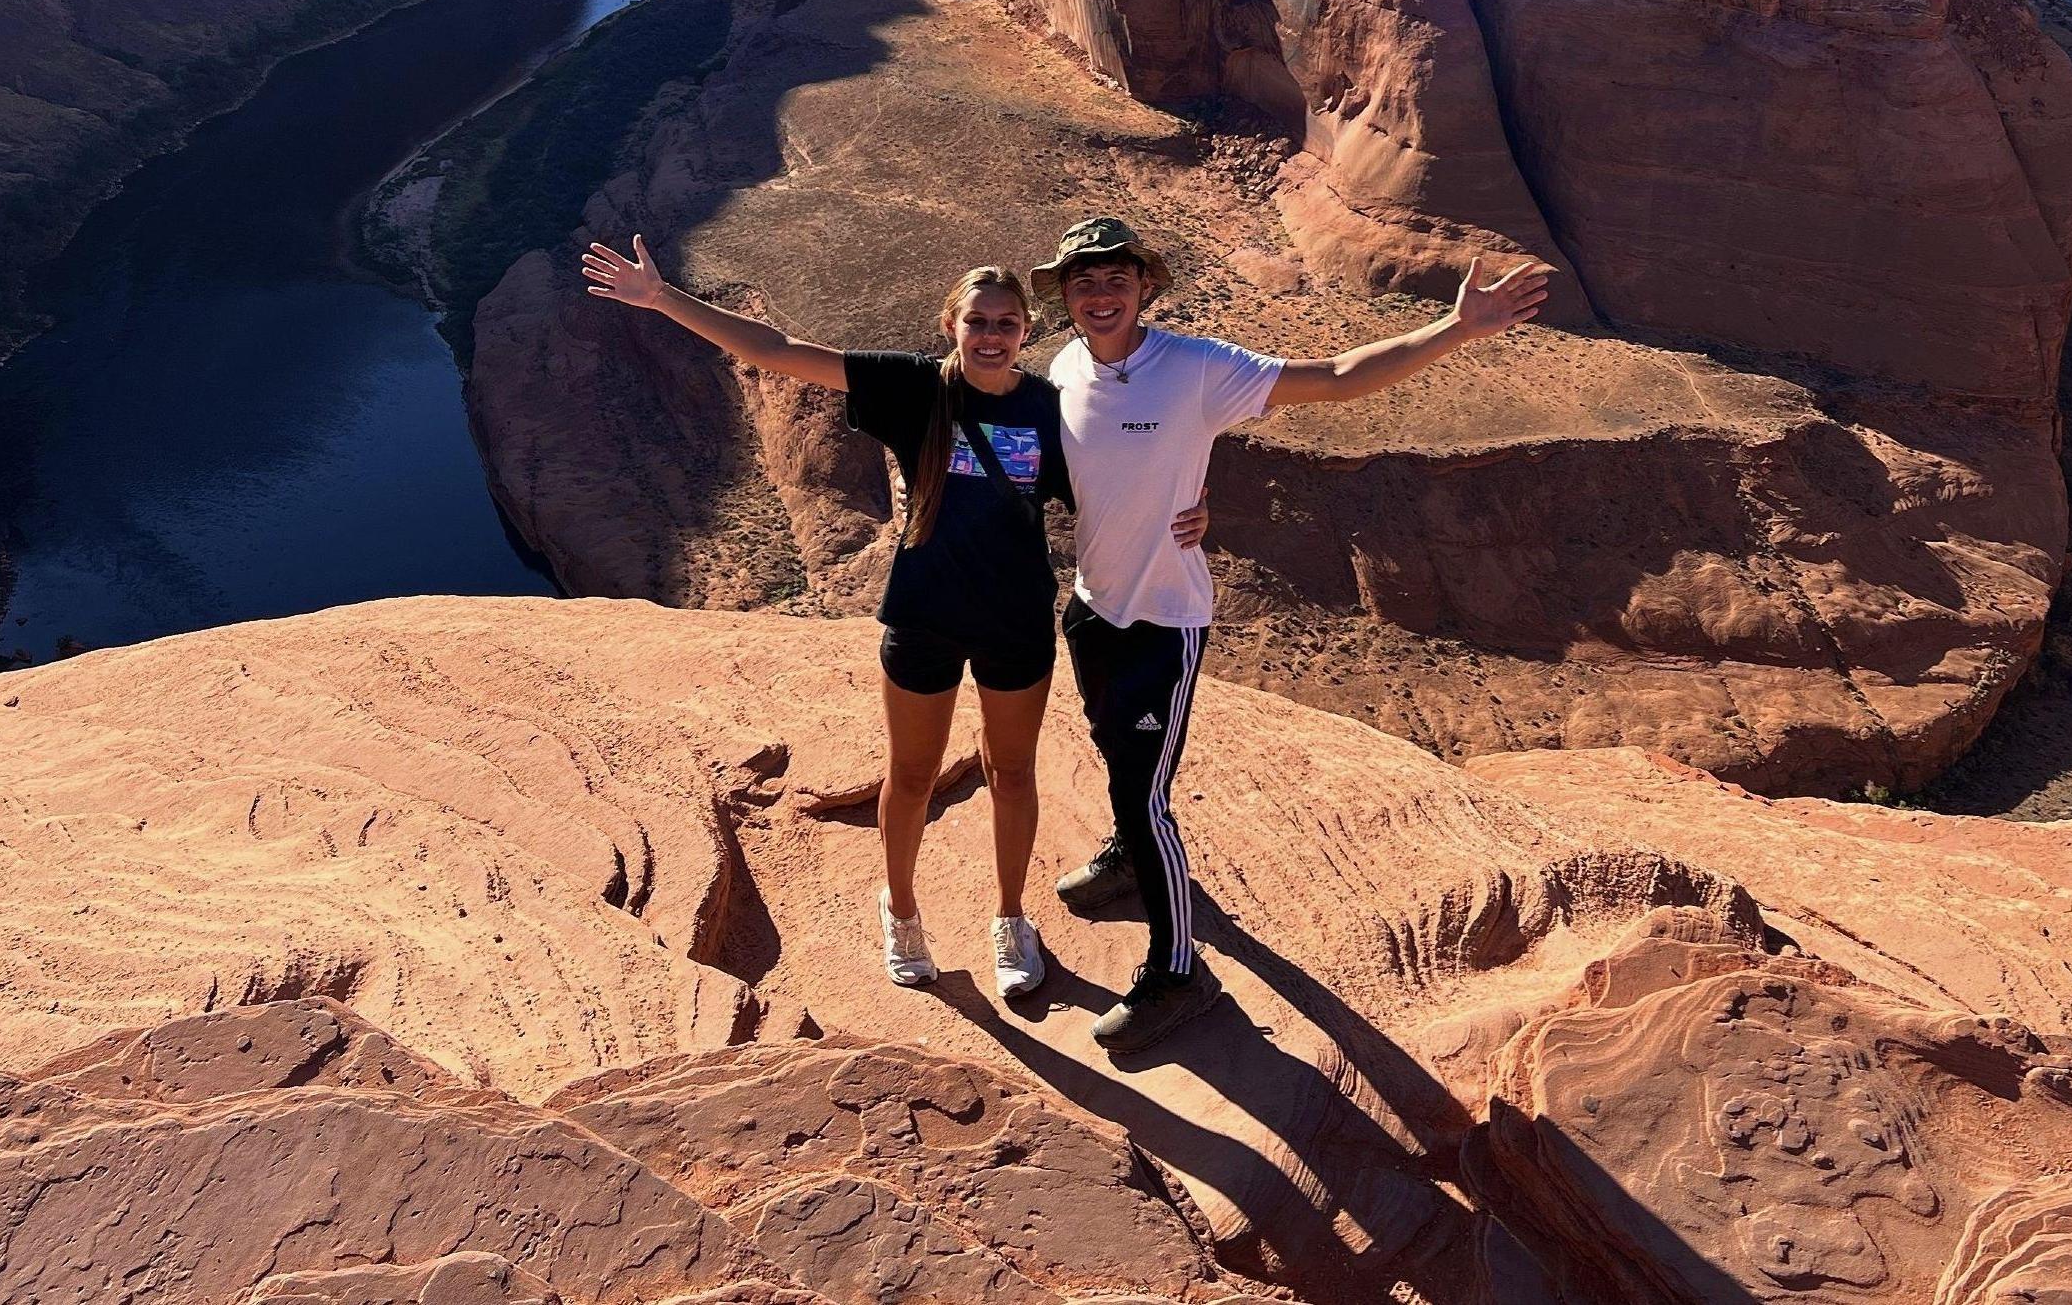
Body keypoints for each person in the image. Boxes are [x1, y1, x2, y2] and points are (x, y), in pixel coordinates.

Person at [577, 234, 1208, 1003]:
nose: (991, 335)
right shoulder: (914, 389)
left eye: (1006, 323)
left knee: (1012, 773)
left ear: (1025, 333)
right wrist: (664, 298)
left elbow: (1122, 472)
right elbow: (780, 351)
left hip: (1014, 622)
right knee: (911, 773)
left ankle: (1011, 918)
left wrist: (1194, 506)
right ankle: (901, 911)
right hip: (924, 617)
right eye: (977, 321)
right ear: (951, 325)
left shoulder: (1050, 409)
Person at [1031, 215, 1551, 1056]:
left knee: (1144, 788)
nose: (1098, 293)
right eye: (1082, 280)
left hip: (1166, 618)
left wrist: (1456, 328)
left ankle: (1177, 974)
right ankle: (1132, 857)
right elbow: (1086, 473)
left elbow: (1341, 376)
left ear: (1145, 287)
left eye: (1114, 279)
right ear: (1065, 295)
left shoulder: (1195, 366)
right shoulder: (1061, 368)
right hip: (1093, 606)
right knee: (1111, 751)